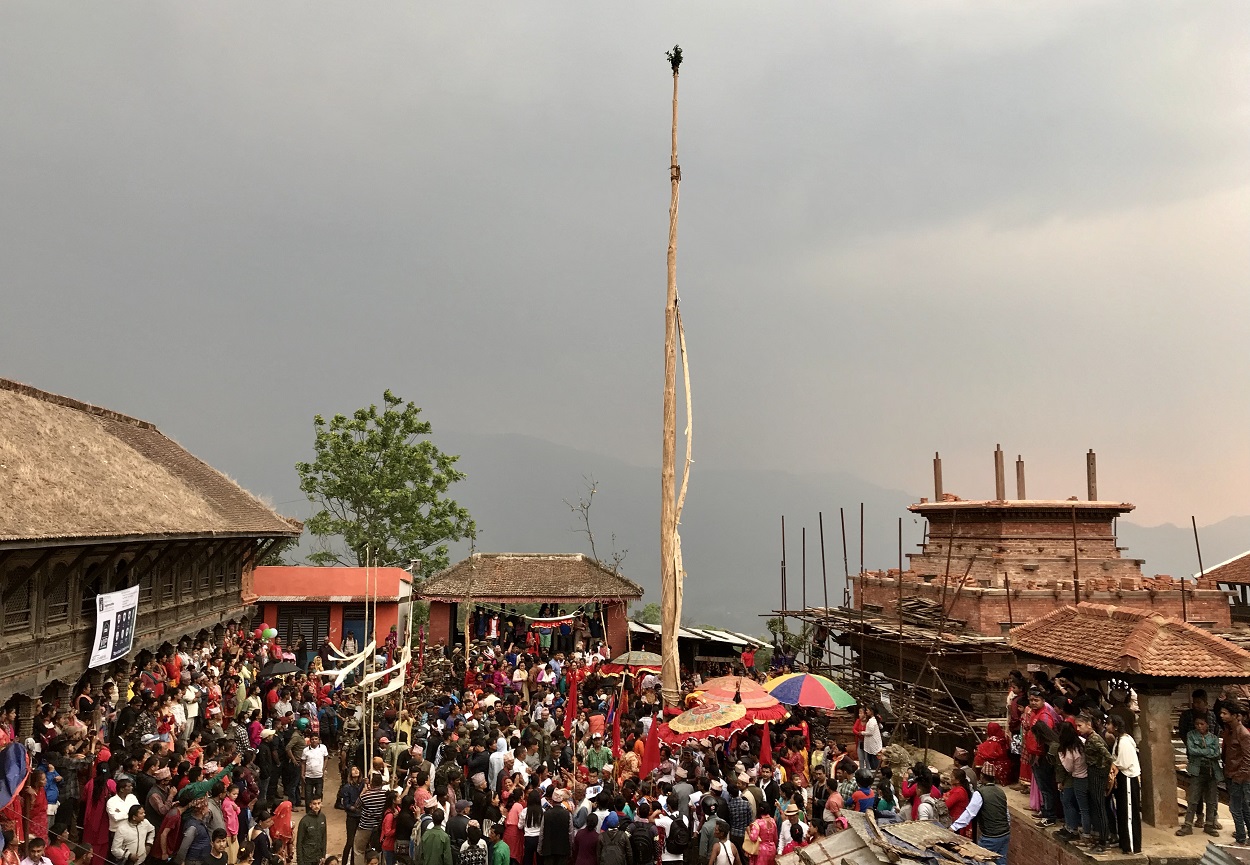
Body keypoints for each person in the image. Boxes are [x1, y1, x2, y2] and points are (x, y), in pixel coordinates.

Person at [949, 764, 1009, 865]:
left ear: (981, 776)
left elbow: (969, 813)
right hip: (1005, 834)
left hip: (990, 836)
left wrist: (954, 827)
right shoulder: (1000, 792)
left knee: (979, 861)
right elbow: (1006, 814)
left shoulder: (980, 793)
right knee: (1000, 862)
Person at [1178, 713, 1222, 837]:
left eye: (1202, 724)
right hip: (1197, 770)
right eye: (1197, 724)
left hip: (1211, 771)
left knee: (1211, 800)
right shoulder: (1191, 735)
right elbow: (1192, 751)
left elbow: (1217, 754)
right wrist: (1208, 752)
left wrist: (1202, 752)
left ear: (1207, 725)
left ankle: (1209, 824)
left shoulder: (1213, 737)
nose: (1199, 726)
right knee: (1193, 799)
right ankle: (1188, 825)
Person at [1075, 714, 1112, 854]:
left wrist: (1108, 771)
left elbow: (1108, 756)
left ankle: (1104, 841)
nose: (1078, 729)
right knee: (1096, 806)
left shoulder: (1095, 739)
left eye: (1080, 725)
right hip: (1093, 773)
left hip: (1098, 773)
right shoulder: (1089, 738)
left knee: (1100, 806)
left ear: (1088, 725)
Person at [1106, 716, 1141, 853]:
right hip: (1121, 778)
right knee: (1121, 812)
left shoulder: (1125, 742)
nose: (1106, 727)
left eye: (1108, 724)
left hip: (1128, 778)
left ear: (1115, 726)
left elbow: (1123, 763)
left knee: (1128, 814)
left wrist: (1114, 765)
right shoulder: (1118, 740)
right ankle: (1124, 842)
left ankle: (1132, 846)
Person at [1054, 721, 1091, 844]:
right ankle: (1074, 829)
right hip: (1086, 775)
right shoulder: (1081, 742)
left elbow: (1068, 768)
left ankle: (1078, 831)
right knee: (1082, 807)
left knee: (1078, 806)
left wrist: (1061, 757)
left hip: (1079, 778)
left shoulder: (1069, 750)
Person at [296, 798, 327, 865]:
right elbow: (299, 842)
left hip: (318, 857)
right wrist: (300, 861)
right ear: (310, 805)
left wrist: (323, 855)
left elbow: (324, 837)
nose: (317, 806)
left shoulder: (322, 817)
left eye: (319, 803)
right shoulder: (304, 821)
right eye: (314, 804)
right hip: (307, 858)